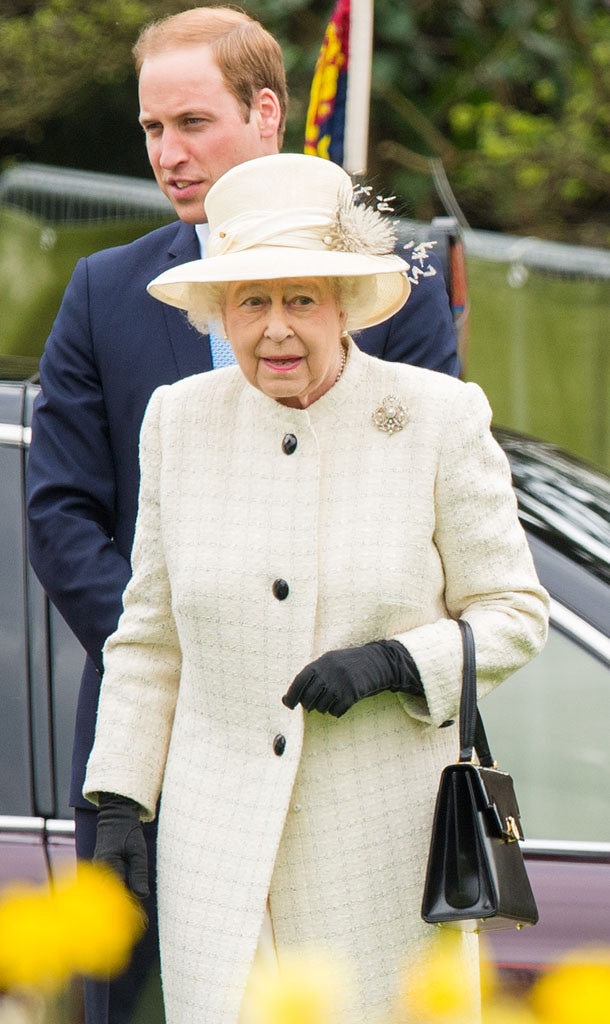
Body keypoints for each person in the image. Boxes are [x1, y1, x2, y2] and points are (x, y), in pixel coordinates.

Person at [26, 8, 459, 1023]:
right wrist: (198, 665)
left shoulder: (398, 292)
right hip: (155, 757)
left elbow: (430, 513)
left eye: (193, 122)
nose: (170, 155)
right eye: (151, 130)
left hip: (355, 749)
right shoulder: (103, 294)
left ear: (267, 113)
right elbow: (60, 516)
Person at [83, 151, 549, 1024]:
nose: (277, 330)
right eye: (252, 303)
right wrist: (118, 801)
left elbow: (517, 614)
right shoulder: (180, 422)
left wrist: (397, 663)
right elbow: (149, 637)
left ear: (345, 309)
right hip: (214, 859)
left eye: (302, 300)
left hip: (381, 853)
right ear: (221, 314)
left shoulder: (436, 419)